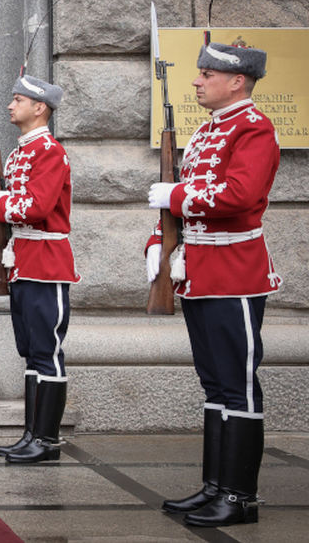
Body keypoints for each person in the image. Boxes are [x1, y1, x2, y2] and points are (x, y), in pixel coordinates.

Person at [147, 41, 279, 528]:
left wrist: (177, 194)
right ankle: (215, 486)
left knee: (238, 385)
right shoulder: (207, 131)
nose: (198, 81)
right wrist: (157, 245)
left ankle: (240, 497)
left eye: (207, 74)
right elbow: (176, 201)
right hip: (199, 272)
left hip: (235, 272)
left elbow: (240, 195)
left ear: (237, 81)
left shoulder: (254, 128)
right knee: (214, 383)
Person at [0, 74, 79, 464]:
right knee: (30, 351)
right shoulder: (19, 152)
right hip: (21, 261)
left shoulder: (49, 151)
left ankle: (47, 441)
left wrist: (0, 204)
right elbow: (11, 214)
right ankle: (31, 434)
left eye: (18, 99)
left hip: (46, 264)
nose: (10, 105)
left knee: (47, 351)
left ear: (40, 108)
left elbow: (36, 207)